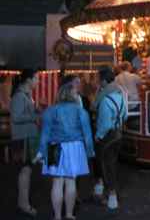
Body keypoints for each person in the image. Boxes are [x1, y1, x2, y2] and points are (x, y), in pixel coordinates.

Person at [37, 83, 95, 220]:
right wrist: (90, 151)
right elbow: (87, 133)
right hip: (74, 147)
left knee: (57, 182)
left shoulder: (50, 110)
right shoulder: (80, 111)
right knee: (71, 181)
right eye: (76, 93)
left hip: (54, 146)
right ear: (72, 95)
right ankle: (69, 214)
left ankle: (57, 216)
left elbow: (45, 134)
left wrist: (41, 151)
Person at [93, 66, 128, 210]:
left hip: (107, 136)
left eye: (98, 79)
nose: (97, 81)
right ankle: (104, 193)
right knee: (112, 164)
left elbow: (105, 124)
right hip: (118, 134)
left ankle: (111, 197)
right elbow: (125, 115)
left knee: (106, 166)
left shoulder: (104, 99)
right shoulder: (120, 95)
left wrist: (98, 135)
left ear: (103, 80)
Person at [10, 68, 40, 217]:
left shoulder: (25, 95)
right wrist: (34, 115)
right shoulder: (19, 96)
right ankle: (23, 204)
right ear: (28, 80)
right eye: (36, 78)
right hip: (22, 138)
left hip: (26, 137)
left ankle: (23, 202)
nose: (38, 81)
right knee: (25, 171)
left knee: (26, 171)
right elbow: (16, 117)